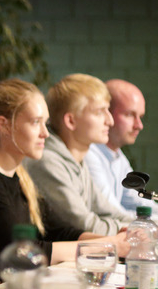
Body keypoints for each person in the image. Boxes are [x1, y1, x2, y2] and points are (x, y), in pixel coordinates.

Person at [0, 79, 128, 289]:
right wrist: (108, 246)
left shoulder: (20, 175)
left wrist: (112, 241)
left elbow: (59, 230)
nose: (45, 133)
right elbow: (25, 251)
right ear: (4, 125)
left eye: (45, 122)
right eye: (35, 122)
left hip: (8, 287)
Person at [23, 73, 134, 236]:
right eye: (99, 112)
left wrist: (145, 227)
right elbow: (83, 225)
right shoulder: (47, 162)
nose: (109, 121)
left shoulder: (76, 160)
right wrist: (128, 230)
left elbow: (108, 211)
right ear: (71, 121)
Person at [84, 79, 157, 216]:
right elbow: (112, 213)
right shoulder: (88, 154)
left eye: (140, 117)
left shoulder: (117, 155)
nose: (139, 125)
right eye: (129, 115)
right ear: (106, 113)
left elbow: (138, 200)